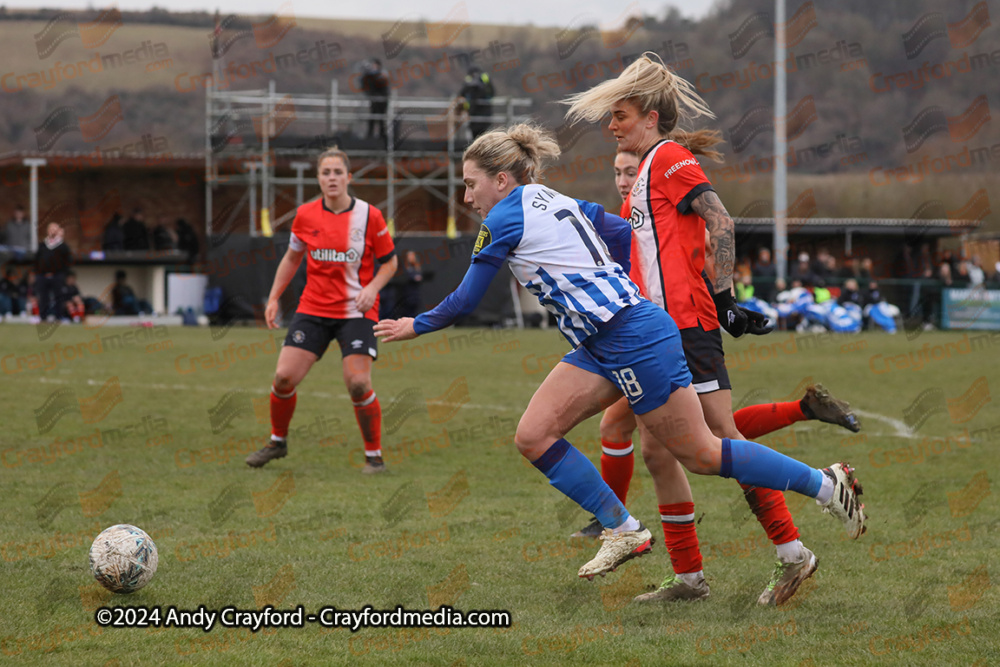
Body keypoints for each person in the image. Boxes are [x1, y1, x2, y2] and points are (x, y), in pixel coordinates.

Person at [374, 123, 867, 584]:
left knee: (702, 452)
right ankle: (623, 528)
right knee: (534, 434)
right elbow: (623, 233)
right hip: (604, 339)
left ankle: (825, 484)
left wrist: (414, 325)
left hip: (630, 335)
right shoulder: (549, 197)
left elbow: (465, 299)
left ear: (501, 180)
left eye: (470, 184)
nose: (467, 196)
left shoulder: (504, 215)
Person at [564, 54, 865, 604]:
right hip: (652, 328)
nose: (612, 125)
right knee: (658, 451)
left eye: (621, 114)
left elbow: (720, 219)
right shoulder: (644, 174)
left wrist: (724, 298)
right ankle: (689, 578)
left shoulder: (670, 157)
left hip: (684, 326)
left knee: (720, 442)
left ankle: (807, 528)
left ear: (651, 117)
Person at [245, 147, 399, 474]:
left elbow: (390, 262)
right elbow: (291, 258)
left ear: (348, 177)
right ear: (318, 178)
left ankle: (375, 457)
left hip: (357, 313)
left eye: (337, 172)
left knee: (357, 382)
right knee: (284, 378)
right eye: (326, 173)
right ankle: (277, 442)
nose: (332, 178)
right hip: (313, 309)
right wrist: (274, 298)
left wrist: (372, 288)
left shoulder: (370, 216)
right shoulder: (305, 215)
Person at [34, 222, 72, 320]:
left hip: (57, 276)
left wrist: (63, 274)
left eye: (55, 229)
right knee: (43, 297)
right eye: (51, 229)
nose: (53, 231)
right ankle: (43, 317)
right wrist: (38, 273)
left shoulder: (63, 246)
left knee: (59, 297)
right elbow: (36, 260)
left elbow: (68, 261)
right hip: (43, 276)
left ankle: (59, 317)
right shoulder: (42, 245)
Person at [459, 65, 495, 139]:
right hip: (475, 114)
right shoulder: (469, 83)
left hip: (481, 113)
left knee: (483, 135)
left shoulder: (484, 80)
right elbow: (462, 94)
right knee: (478, 136)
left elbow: (491, 93)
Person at [360, 60, 389, 140]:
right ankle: (370, 134)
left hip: (382, 101)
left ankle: (381, 135)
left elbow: (383, 87)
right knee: (372, 117)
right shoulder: (370, 77)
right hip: (374, 100)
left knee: (381, 118)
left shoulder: (381, 76)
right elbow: (366, 87)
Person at [399, 250, 424, 318]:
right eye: (410, 256)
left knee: (414, 310)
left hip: (415, 294)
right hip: (407, 294)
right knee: (407, 311)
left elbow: (419, 277)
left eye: (412, 256)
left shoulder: (417, 268)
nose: (411, 258)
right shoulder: (405, 268)